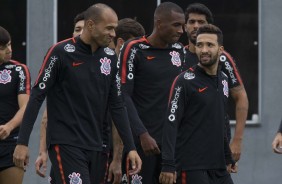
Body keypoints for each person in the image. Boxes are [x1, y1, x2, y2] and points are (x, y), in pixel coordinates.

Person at [12, 3, 142, 184]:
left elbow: (117, 105)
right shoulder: (60, 52)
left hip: (98, 147)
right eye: (109, 28)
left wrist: (131, 147)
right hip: (67, 143)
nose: (113, 34)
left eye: (115, 29)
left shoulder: (110, 58)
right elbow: (37, 96)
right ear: (90, 25)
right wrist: (22, 142)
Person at [118, 2, 185, 183]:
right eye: (176, 25)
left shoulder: (179, 51)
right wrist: (142, 134)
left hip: (172, 146)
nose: (182, 30)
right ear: (159, 23)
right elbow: (123, 95)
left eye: (183, 25)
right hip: (142, 144)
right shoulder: (134, 48)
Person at [159, 24, 234, 184]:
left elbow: (221, 118)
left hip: (219, 167)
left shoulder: (224, 79)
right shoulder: (184, 81)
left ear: (221, 50)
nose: (204, 50)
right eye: (199, 45)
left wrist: (227, 156)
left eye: (210, 45)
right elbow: (171, 123)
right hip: (191, 167)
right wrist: (168, 163)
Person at [183, 3, 249, 162]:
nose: (196, 26)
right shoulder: (176, 55)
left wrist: (237, 142)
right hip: (184, 141)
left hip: (218, 141)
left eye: (201, 22)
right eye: (192, 22)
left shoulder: (222, 57)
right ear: (185, 26)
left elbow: (241, 96)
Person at [34, 11, 86, 180]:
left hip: (97, 147)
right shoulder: (60, 58)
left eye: (84, 29)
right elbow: (47, 115)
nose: (79, 33)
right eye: (77, 29)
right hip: (65, 147)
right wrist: (42, 151)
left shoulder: (105, 63)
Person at [107, 18, 145, 184]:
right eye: (136, 44)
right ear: (121, 42)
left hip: (130, 150)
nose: (139, 49)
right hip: (105, 149)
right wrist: (116, 159)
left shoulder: (137, 71)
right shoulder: (107, 68)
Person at [0, 26, 31, 184]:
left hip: (10, 144)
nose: (9, 50)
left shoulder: (19, 70)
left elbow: (26, 107)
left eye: (10, 44)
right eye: (2, 48)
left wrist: (9, 126)